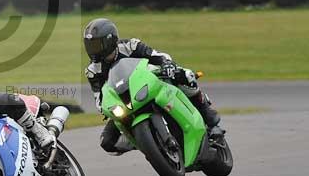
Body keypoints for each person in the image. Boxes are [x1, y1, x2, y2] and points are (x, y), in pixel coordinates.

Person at [82, 18, 224, 155]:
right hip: (125, 104)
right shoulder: (92, 71)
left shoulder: (130, 46)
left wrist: (167, 64)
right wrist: (106, 108)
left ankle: (212, 124)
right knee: (107, 142)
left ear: (110, 40)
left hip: (149, 84)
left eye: (96, 45)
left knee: (186, 77)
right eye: (89, 45)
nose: (93, 50)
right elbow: (99, 98)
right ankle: (144, 141)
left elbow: (158, 55)